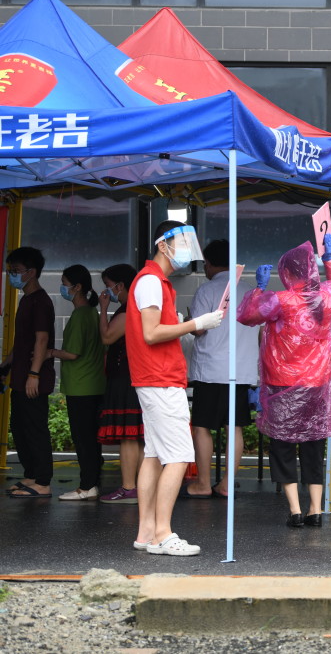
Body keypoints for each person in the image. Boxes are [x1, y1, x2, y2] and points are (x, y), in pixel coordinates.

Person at [237, 237, 331, 528]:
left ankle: (295, 510)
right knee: (313, 444)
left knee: (283, 445)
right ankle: (316, 510)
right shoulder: (327, 298)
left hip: (282, 384)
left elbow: (249, 316)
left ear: (286, 273)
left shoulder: (280, 300)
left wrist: (259, 288)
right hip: (316, 383)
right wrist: (330, 259)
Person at [128, 221, 222, 556]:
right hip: (160, 379)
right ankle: (163, 535)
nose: (186, 251)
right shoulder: (152, 281)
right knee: (180, 456)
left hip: (154, 379)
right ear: (163, 244)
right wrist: (197, 323)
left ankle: (147, 532)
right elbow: (151, 333)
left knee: (154, 455)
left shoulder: (154, 281)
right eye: (182, 243)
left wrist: (188, 324)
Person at [184, 240, 257, 499]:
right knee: (233, 427)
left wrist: (186, 322)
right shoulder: (250, 291)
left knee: (202, 426)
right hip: (241, 370)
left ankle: (203, 483)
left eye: (204, 262)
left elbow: (200, 328)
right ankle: (227, 484)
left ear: (211, 263)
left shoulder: (208, 290)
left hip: (211, 369)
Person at [48, 264, 107, 500]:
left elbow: (72, 353)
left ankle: (87, 486)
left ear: (77, 287)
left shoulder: (81, 314)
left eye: (64, 283)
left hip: (81, 386)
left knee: (83, 439)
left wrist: (49, 352)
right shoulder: (92, 313)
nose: (62, 288)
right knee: (92, 438)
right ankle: (93, 482)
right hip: (94, 384)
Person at [3, 247, 56, 499]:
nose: (12, 275)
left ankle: (43, 481)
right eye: (10, 270)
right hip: (20, 376)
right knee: (20, 427)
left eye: (16, 271)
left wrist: (34, 374)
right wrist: (6, 365)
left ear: (31, 272)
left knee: (35, 428)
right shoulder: (25, 299)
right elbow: (22, 342)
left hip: (33, 378)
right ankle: (32, 474)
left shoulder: (41, 301)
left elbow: (41, 339)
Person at [95, 264, 144, 505]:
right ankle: (142, 487)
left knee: (129, 436)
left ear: (120, 285)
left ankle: (129, 487)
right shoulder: (140, 306)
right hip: (135, 376)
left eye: (108, 286)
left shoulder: (127, 310)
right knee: (139, 437)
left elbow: (106, 337)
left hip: (126, 378)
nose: (107, 292)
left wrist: (103, 310)